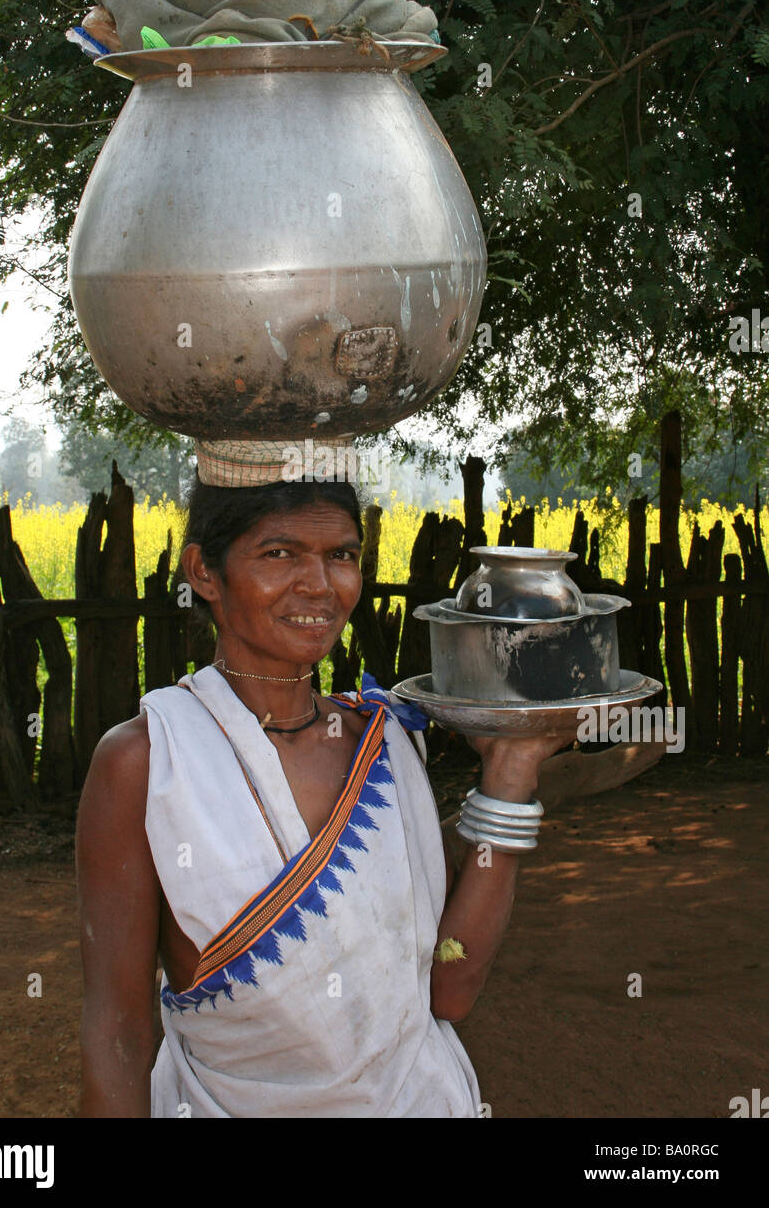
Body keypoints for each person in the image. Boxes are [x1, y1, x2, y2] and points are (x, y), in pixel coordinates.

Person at [76, 440, 572, 1118]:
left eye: (341, 555)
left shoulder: (385, 743)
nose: (319, 584)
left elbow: (449, 991)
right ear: (206, 572)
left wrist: (511, 773)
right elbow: (119, 1030)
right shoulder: (147, 761)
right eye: (279, 554)